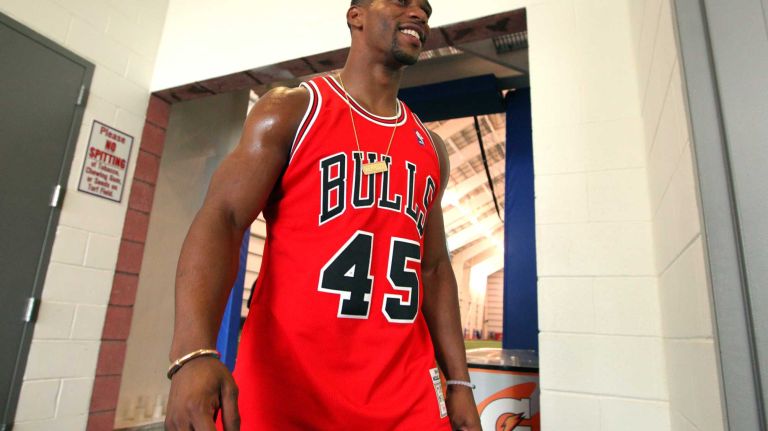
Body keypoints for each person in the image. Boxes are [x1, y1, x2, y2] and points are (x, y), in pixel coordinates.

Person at [165, 0, 481, 429]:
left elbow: (436, 269)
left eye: (425, 8)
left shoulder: (431, 148)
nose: (420, 14)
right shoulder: (293, 110)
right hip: (290, 388)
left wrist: (459, 382)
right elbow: (223, 217)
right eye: (402, 2)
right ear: (356, 15)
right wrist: (193, 351)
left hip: (405, 394)